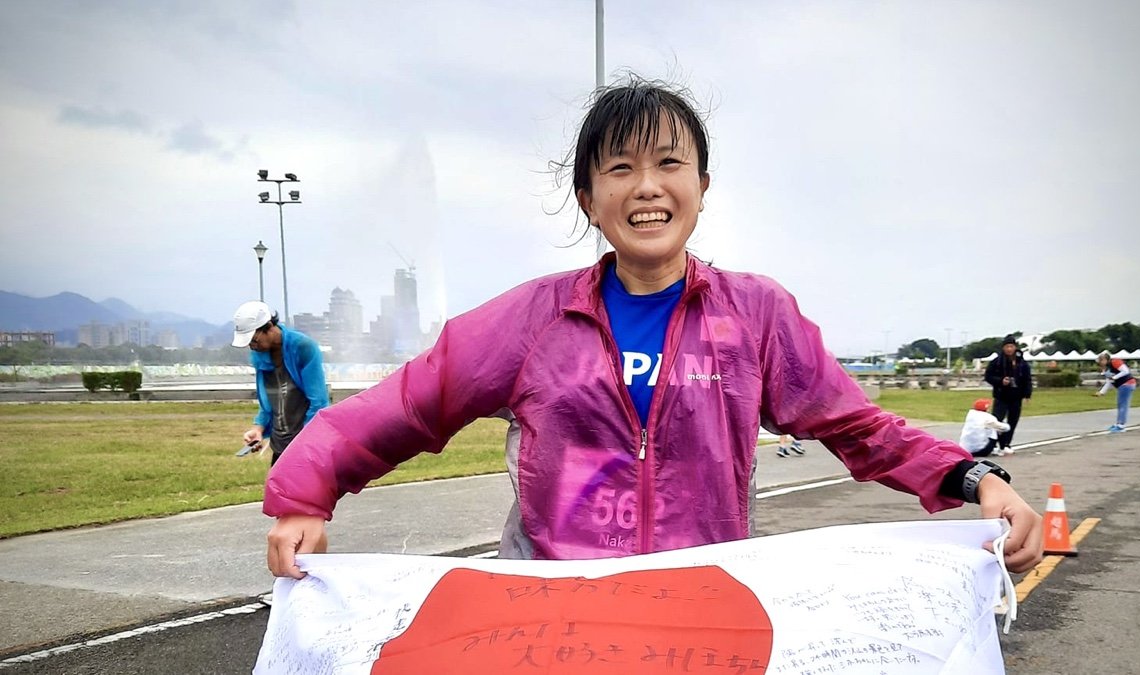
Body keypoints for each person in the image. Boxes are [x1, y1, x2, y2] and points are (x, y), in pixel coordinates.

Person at [263, 77, 1042, 579]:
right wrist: (305, 492)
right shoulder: (532, 320)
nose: (648, 188)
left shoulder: (755, 316)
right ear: (587, 197)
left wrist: (979, 478)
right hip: (550, 616)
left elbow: (860, 427)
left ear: (702, 185)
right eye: (619, 168)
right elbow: (406, 403)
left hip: (704, 613)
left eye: (670, 163)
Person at [231, 301, 329, 465]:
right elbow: (269, 401)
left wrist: (306, 443)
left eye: (254, 340)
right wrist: (258, 428)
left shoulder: (303, 348)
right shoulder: (259, 356)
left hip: (307, 447)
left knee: (309, 491)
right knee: (278, 491)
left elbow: (318, 402)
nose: (252, 347)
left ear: (268, 326)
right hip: (280, 448)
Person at [984, 335, 1032, 454]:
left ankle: (1006, 444)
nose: (1009, 349)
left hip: (1016, 396)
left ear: (1015, 347)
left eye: (1011, 346)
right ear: (1003, 348)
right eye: (1007, 346)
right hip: (1001, 395)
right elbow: (988, 376)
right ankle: (993, 444)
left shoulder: (1022, 362)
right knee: (997, 421)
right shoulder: (997, 361)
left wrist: (1027, 394)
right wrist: (1000, 381)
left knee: (1013, 420)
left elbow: (1027, 379)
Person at [1095, 351, 1136, 432]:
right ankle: (1118, 423)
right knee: (1120, 404)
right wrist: (1102, 392)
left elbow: (1125, 371)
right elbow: (1109, 382)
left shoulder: (1115, 361)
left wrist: (1115, 377)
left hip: (1127, 384)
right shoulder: (1107, 369)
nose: (1100, 363)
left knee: (1123, 404)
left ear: (1105, 359)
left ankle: (1121, 425)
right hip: (1122, 385)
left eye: (1101, 361)